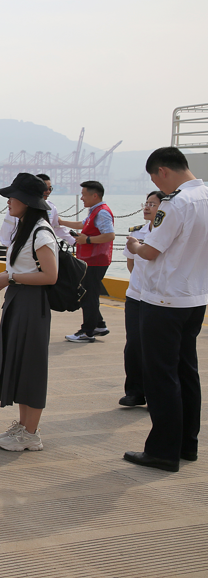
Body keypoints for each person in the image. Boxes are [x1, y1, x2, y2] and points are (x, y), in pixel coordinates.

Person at [123, 146, 208, 472]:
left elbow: (151, 251)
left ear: (163, 171)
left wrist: (134, 245)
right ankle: (187, 444)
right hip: (194, 298)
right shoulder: (205, 196)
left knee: (161, 375)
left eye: (155, 179)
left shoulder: (175, 204)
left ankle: (162, 450)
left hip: (164, 301)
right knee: (187, 372)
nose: (158, 187)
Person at [0, 174, 58, 451]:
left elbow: (50, 275)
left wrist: (12, 277)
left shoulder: (41, 233)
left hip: (32, 303)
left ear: (27, 201)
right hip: (20, 300)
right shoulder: (26, 229)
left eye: (13, 197)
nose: (8, 201)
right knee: (20, 363)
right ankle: (24, 425)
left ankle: (31, 433)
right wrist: (10, 277)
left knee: (32, 367)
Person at [119, 190, 165, 408]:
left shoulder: (167, 234)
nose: (147, 207)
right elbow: (131, 264)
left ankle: (157, 395)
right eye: (146, 203)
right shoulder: (137, 233)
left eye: (153, 204)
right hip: (136, 297)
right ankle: (135, 392)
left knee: (157, 348)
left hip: (159, 299)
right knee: (134, 345)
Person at [58, 180, 115, 343]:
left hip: (96, 260)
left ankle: (87, 331)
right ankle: (99, 325)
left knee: (88, 295)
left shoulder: (102, 212)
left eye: (84, 194)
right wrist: (61, 222)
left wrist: (87, 240)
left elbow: (110, 235)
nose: (81, 198)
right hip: (91, 259)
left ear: (94, 195)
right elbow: (82, 224)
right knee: (88, 293)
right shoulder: (95, 211)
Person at [0, 174, 77, 247]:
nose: (48, 191)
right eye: (45, 189)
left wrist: (74, 242)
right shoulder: (16, 209)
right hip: (19, 248)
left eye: (50, 189)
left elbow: (57, 228)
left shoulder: (51, 208)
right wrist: (10, 249)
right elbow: (7, 231)